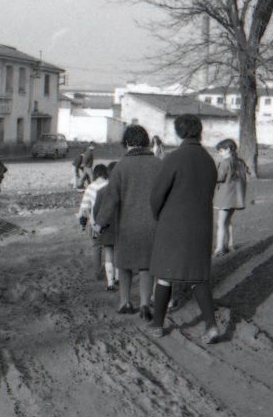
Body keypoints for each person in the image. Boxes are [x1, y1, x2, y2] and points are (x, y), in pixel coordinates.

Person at [148, 114, 220, 343]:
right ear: (199, 131)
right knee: (198, 278)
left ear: (179, 133)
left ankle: (158, 325)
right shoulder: (209, 159)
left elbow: (156, 195)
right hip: (202, 225)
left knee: (165, 276)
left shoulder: (174, 158)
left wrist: (158, 215)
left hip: (173, 226)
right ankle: (211, 325)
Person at [95, 125, 162, 319]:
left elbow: (111, 198)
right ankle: (145, 303)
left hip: (126, 225)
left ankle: (125, 301)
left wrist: (100, 223)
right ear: (146, 141)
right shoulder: (158, 164)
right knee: (147, 265)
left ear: (127, 143)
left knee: (123, 265)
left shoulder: (121, 166)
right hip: (153, 224)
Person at [213, 139, 249, 256]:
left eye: (221, 151)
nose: (220, 153)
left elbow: (219, 178)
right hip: (236, 198)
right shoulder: (240, 162)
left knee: (221, 222)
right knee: (228, 221)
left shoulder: (225, 163)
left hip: (225, 197)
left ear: (228, 149)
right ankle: (230, 244)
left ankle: (219, 248)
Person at [91, 160, 120, 292]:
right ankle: (119, 277)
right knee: (119, 254)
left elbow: (97, 211)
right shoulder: (124, 191)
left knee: (108, 254)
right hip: (120, 227)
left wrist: (99, 224)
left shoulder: (102, 191)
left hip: (107, 227)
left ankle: (110, 283)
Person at [78, 163, 109, 285]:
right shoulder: (110, 185)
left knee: (96, 247)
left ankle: (97, 272)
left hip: (95, 223)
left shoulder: (90, 188)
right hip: (110, 223)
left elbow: (84, 208)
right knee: (110, 248)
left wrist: (82, 223)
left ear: (95, 174)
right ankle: (111, 273)